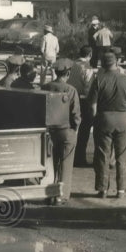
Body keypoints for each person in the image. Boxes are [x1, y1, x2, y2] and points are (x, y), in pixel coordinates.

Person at [89, 51, 126, 198]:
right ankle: (122, 190)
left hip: (104, 119)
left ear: (102, 65)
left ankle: (102, 189)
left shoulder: (98, 80)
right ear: (117, 62)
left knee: (102, 155)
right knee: (123, 156)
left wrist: (96, 120)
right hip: (124, 120)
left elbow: (93, 106)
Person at [42, 58, 81, 206]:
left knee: (51, 164)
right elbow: (76, 115)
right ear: (68, 73)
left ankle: (49, 194)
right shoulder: (71, 90)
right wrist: (75, 130)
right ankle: (61, 196)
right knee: (66, 164)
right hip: (66, 131)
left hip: (48, 132)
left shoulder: (45, 87)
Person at [69, 47, 96, 167]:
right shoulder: (87, 68)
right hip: (83, 100)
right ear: (90, 54)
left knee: (71, 128)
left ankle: (69, 155)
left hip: (70, 98)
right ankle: (79, 158)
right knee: (84, 131)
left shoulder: (71, 65)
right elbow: (88, 88)